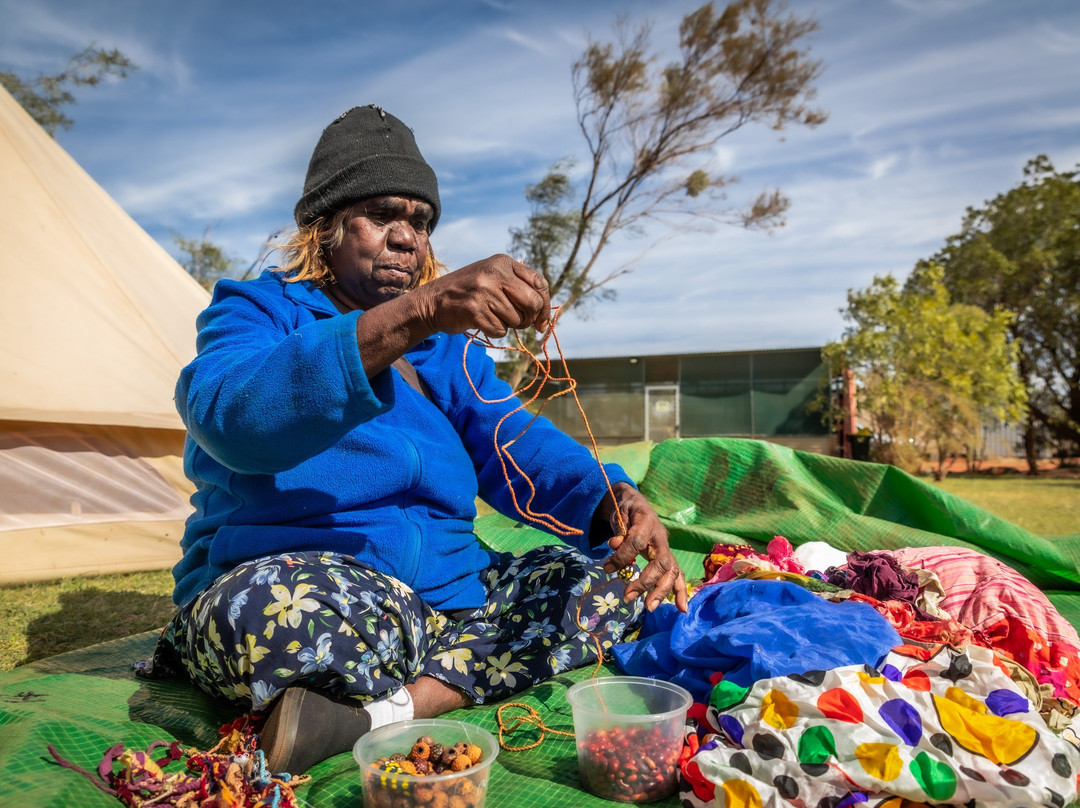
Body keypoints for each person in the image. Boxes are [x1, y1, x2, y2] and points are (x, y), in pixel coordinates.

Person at [158, 104, 688, 775]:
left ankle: (382, 713)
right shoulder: (258, 312)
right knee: (265, 613)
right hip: (311, 588)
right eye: (384, 215)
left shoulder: (445, 354)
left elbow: (517, 442)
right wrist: (419, 310)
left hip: (446, 601)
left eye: (421, 220)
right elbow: (234, 417)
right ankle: (442, 675)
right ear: (325, 225)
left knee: (605, 589)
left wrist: (614, 500)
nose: (408, 237)